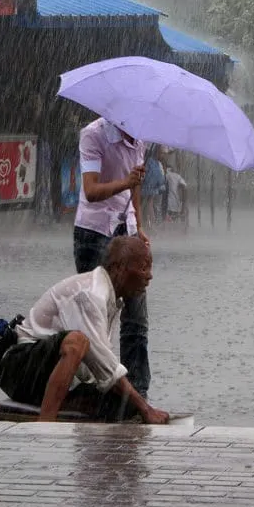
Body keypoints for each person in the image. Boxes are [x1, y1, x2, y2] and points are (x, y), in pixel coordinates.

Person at [0, 237, 169, 424]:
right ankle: (45, 423)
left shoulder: (111, 299)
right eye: (143, 268)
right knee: (77, 342)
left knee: (124, 406)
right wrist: (146, 408)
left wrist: (136, 405)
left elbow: (102, 369)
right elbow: (105, 364)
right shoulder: (90, 294)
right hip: (19, 370)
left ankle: (64, 404)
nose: (149, 276)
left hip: (48, 378)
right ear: (118, 268)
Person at [73, 116, 150, 397]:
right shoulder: (93, 135)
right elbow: (92, 191)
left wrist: (139, 227)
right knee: (94, 319)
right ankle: (93, 389)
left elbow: (135, 187)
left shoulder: (141, 140)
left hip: (127, 232)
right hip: (94, 234)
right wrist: (126, 181)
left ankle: (137, 393)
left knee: (136, 318)